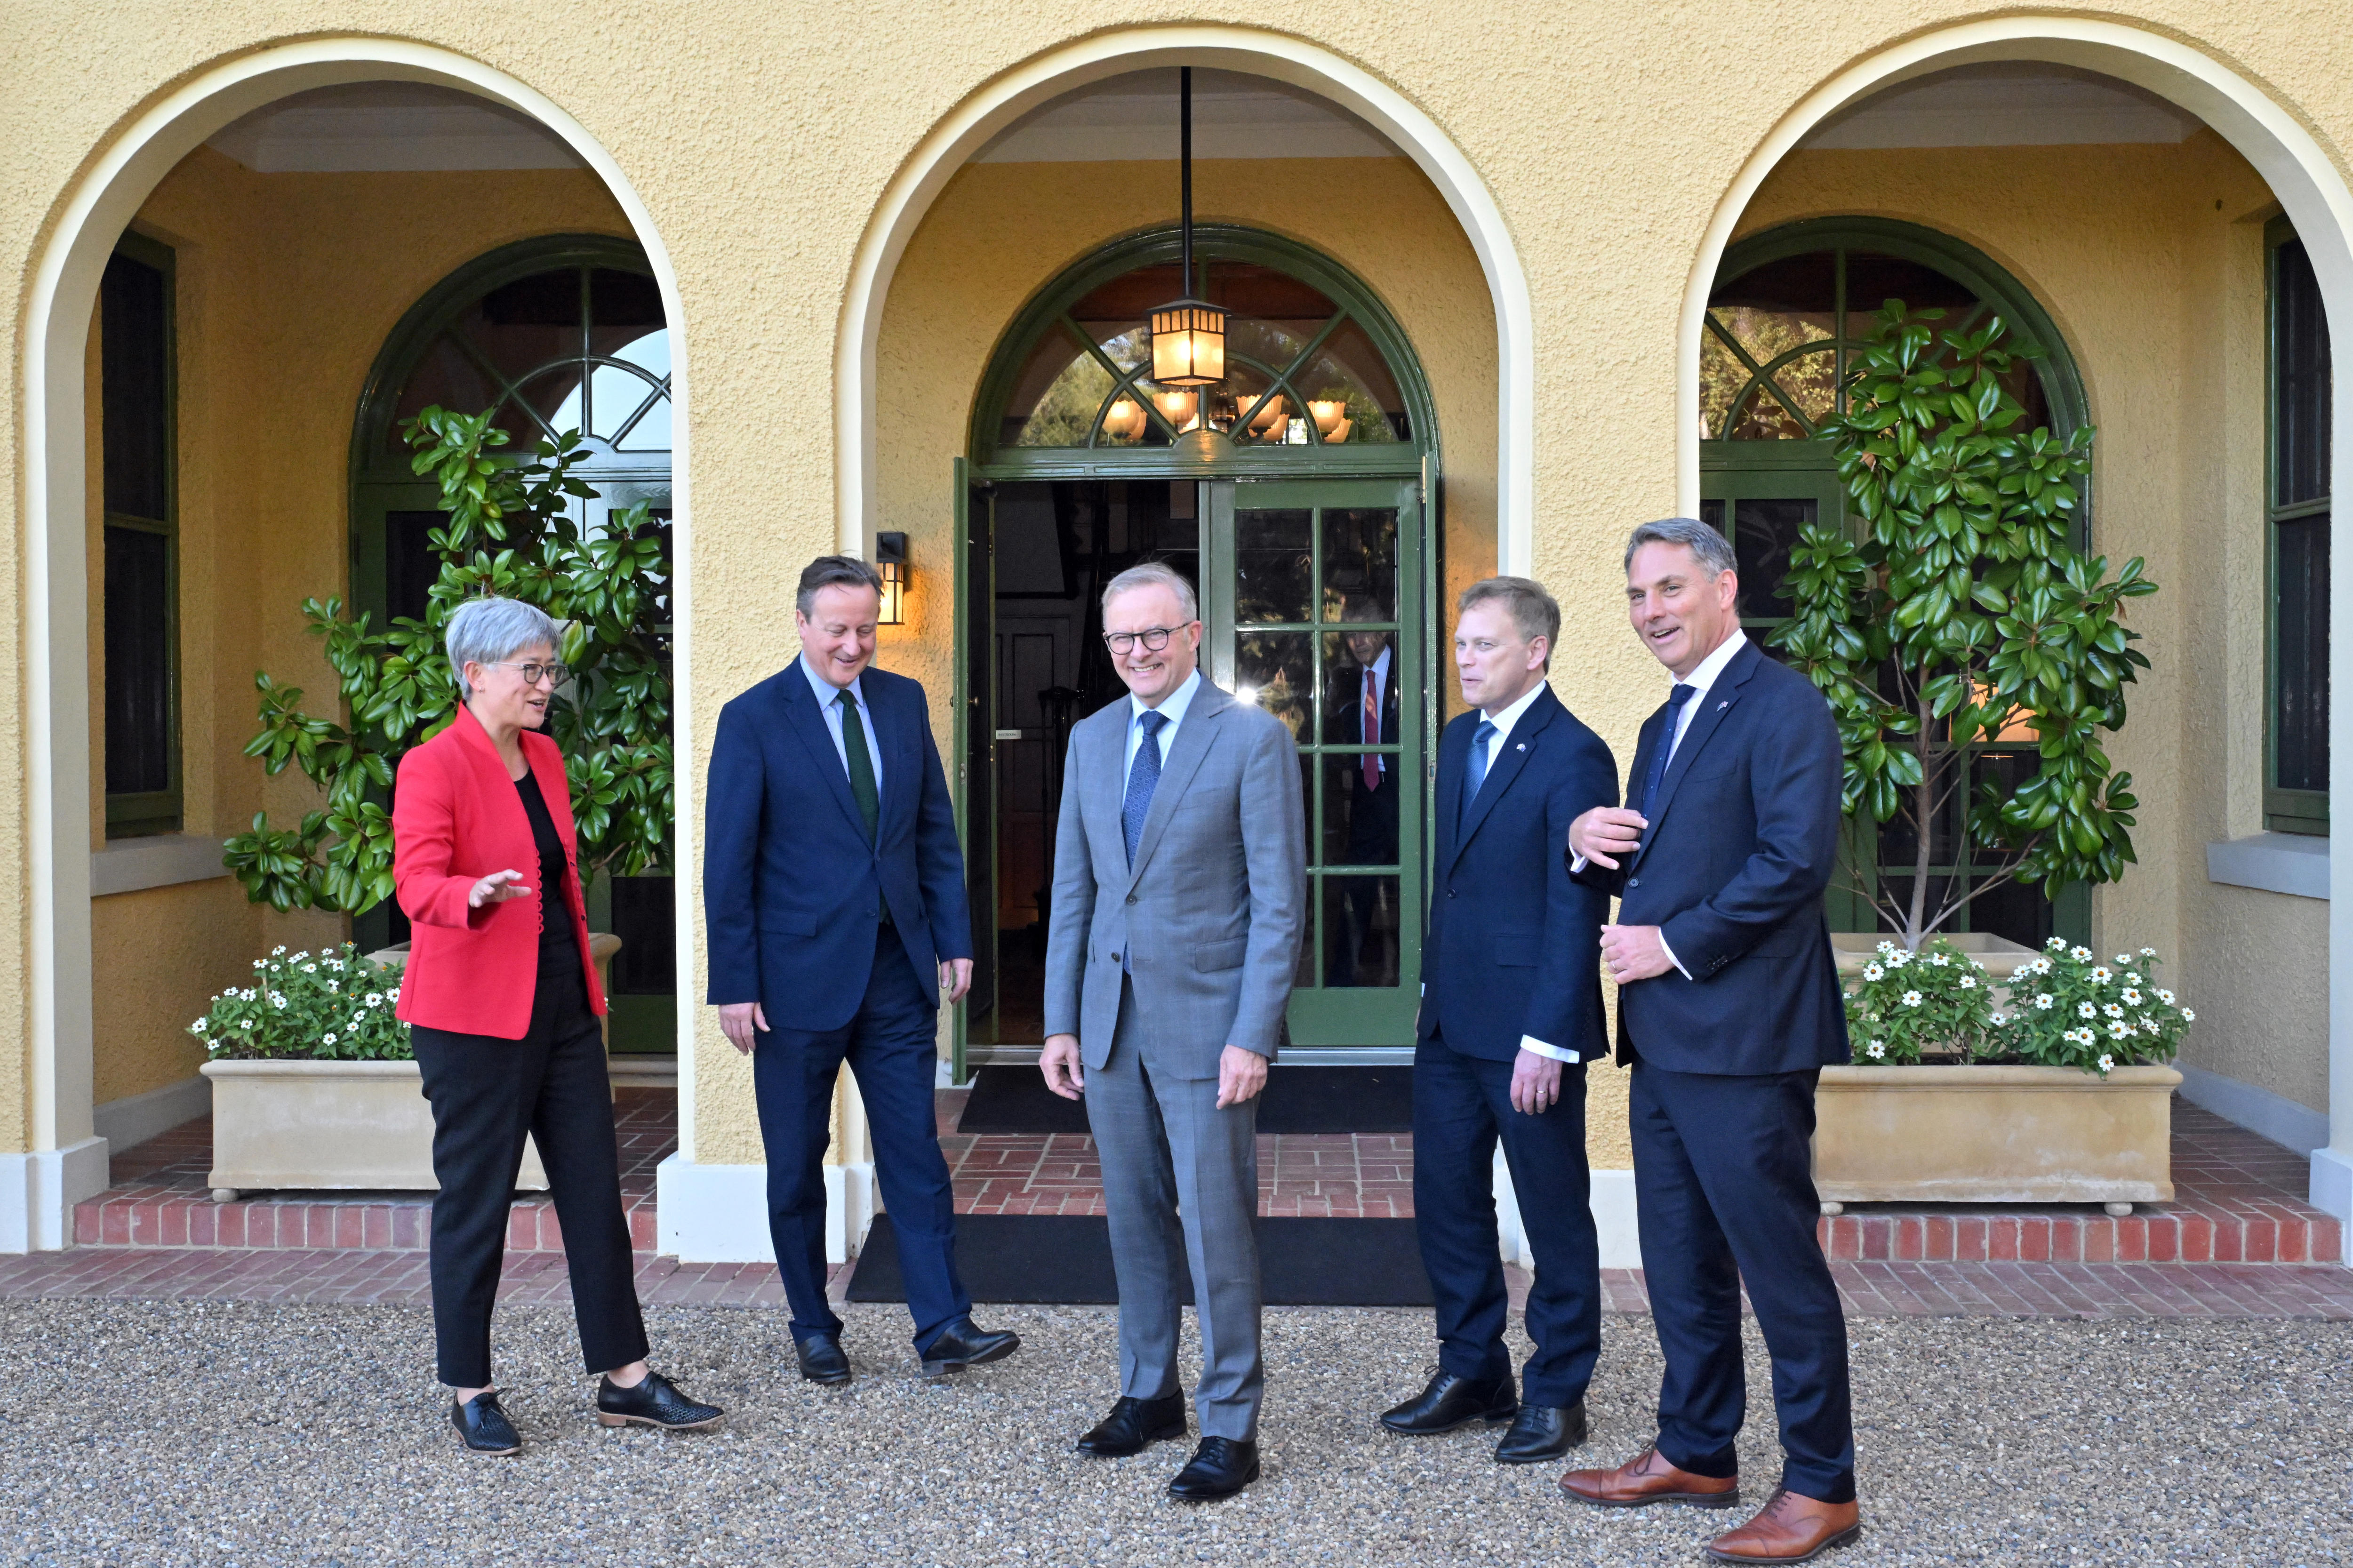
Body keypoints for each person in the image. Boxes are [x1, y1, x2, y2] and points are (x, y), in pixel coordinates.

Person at [1560, 518, 1859, 1564]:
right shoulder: (1661, 723)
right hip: (1666, 1037)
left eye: (1670, 589)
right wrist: (1585, 844)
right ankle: (1696, 1449)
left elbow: (1791, 863)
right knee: (1681, 1263)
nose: (1651, 612)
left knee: (1777, 1268)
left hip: (1746, 1038)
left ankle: (1822, 1485)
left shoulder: (1784, 705)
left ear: (1724, 587)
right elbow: (1657, 863)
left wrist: (1670, 946)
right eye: (1637, 595)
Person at [393, 594, 722, 1456]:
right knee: (476, 1202)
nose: (547, 685)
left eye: (550, 669)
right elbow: (414, 881)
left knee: (593, 1193)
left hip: (564, 1007)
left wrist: (583, 987)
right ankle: (471, 1389)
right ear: (475, 673)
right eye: (531, 670)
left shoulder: (543, 755)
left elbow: (564, 877)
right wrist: (467, 893)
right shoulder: (433, 765)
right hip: (471, 1021)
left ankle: (626, 1379)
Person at [704, 555, 1019, 1384]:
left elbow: (933, 832)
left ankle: (944, 1322)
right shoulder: (753, 718)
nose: (854, 645)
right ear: (802, 624)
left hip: (896, 973)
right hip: (792, 985)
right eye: (838, 628)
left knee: (914, 1150)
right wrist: (734, 981)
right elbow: (726, 862)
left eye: (865, 628)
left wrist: (956, 937)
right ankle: (814, 1324)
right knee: (796, 1163)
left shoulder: (903, 701)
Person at [1039, 561, 1306, 1502]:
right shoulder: (1090, 739)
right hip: (1108, 1024)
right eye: (1121, 639)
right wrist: (1058, 1019)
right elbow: (1073, 892)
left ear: (1194, 633)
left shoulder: (1250, 740)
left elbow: (1278, 906)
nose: (1138, 653)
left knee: (1218, 1226)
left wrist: (1253, 1033)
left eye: (1155, 634)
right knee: (1134, 1220)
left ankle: (1232, 1420)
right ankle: (1149, 1390)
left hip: (1208, 1028)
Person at [1378, 576, 1614, 1464]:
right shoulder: (1456, 738)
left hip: (1529, 1034)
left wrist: (1549, 1036)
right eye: (1462, 644)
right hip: (1449, 1025)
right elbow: (1460, 885)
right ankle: (1473, 1370)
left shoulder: (1576, 754)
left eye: (1483, 645)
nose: (1465, 660)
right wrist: (1430, 990)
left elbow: (1574, 907)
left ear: (1536, 650)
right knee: (1447, 1204)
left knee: (1553, 1215)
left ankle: (1559, 1392)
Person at [1322, 594, 1401, 985]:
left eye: (1367, 628)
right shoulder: (1344, 680)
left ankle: (1405, 973)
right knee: (1357, 886)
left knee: (1406, 888)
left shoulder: (1411, 671)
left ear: (1386, 626)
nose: (1359, 640)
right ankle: (1346, 979)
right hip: (1364, 796)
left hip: (1405, 792)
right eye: (1351, 633)